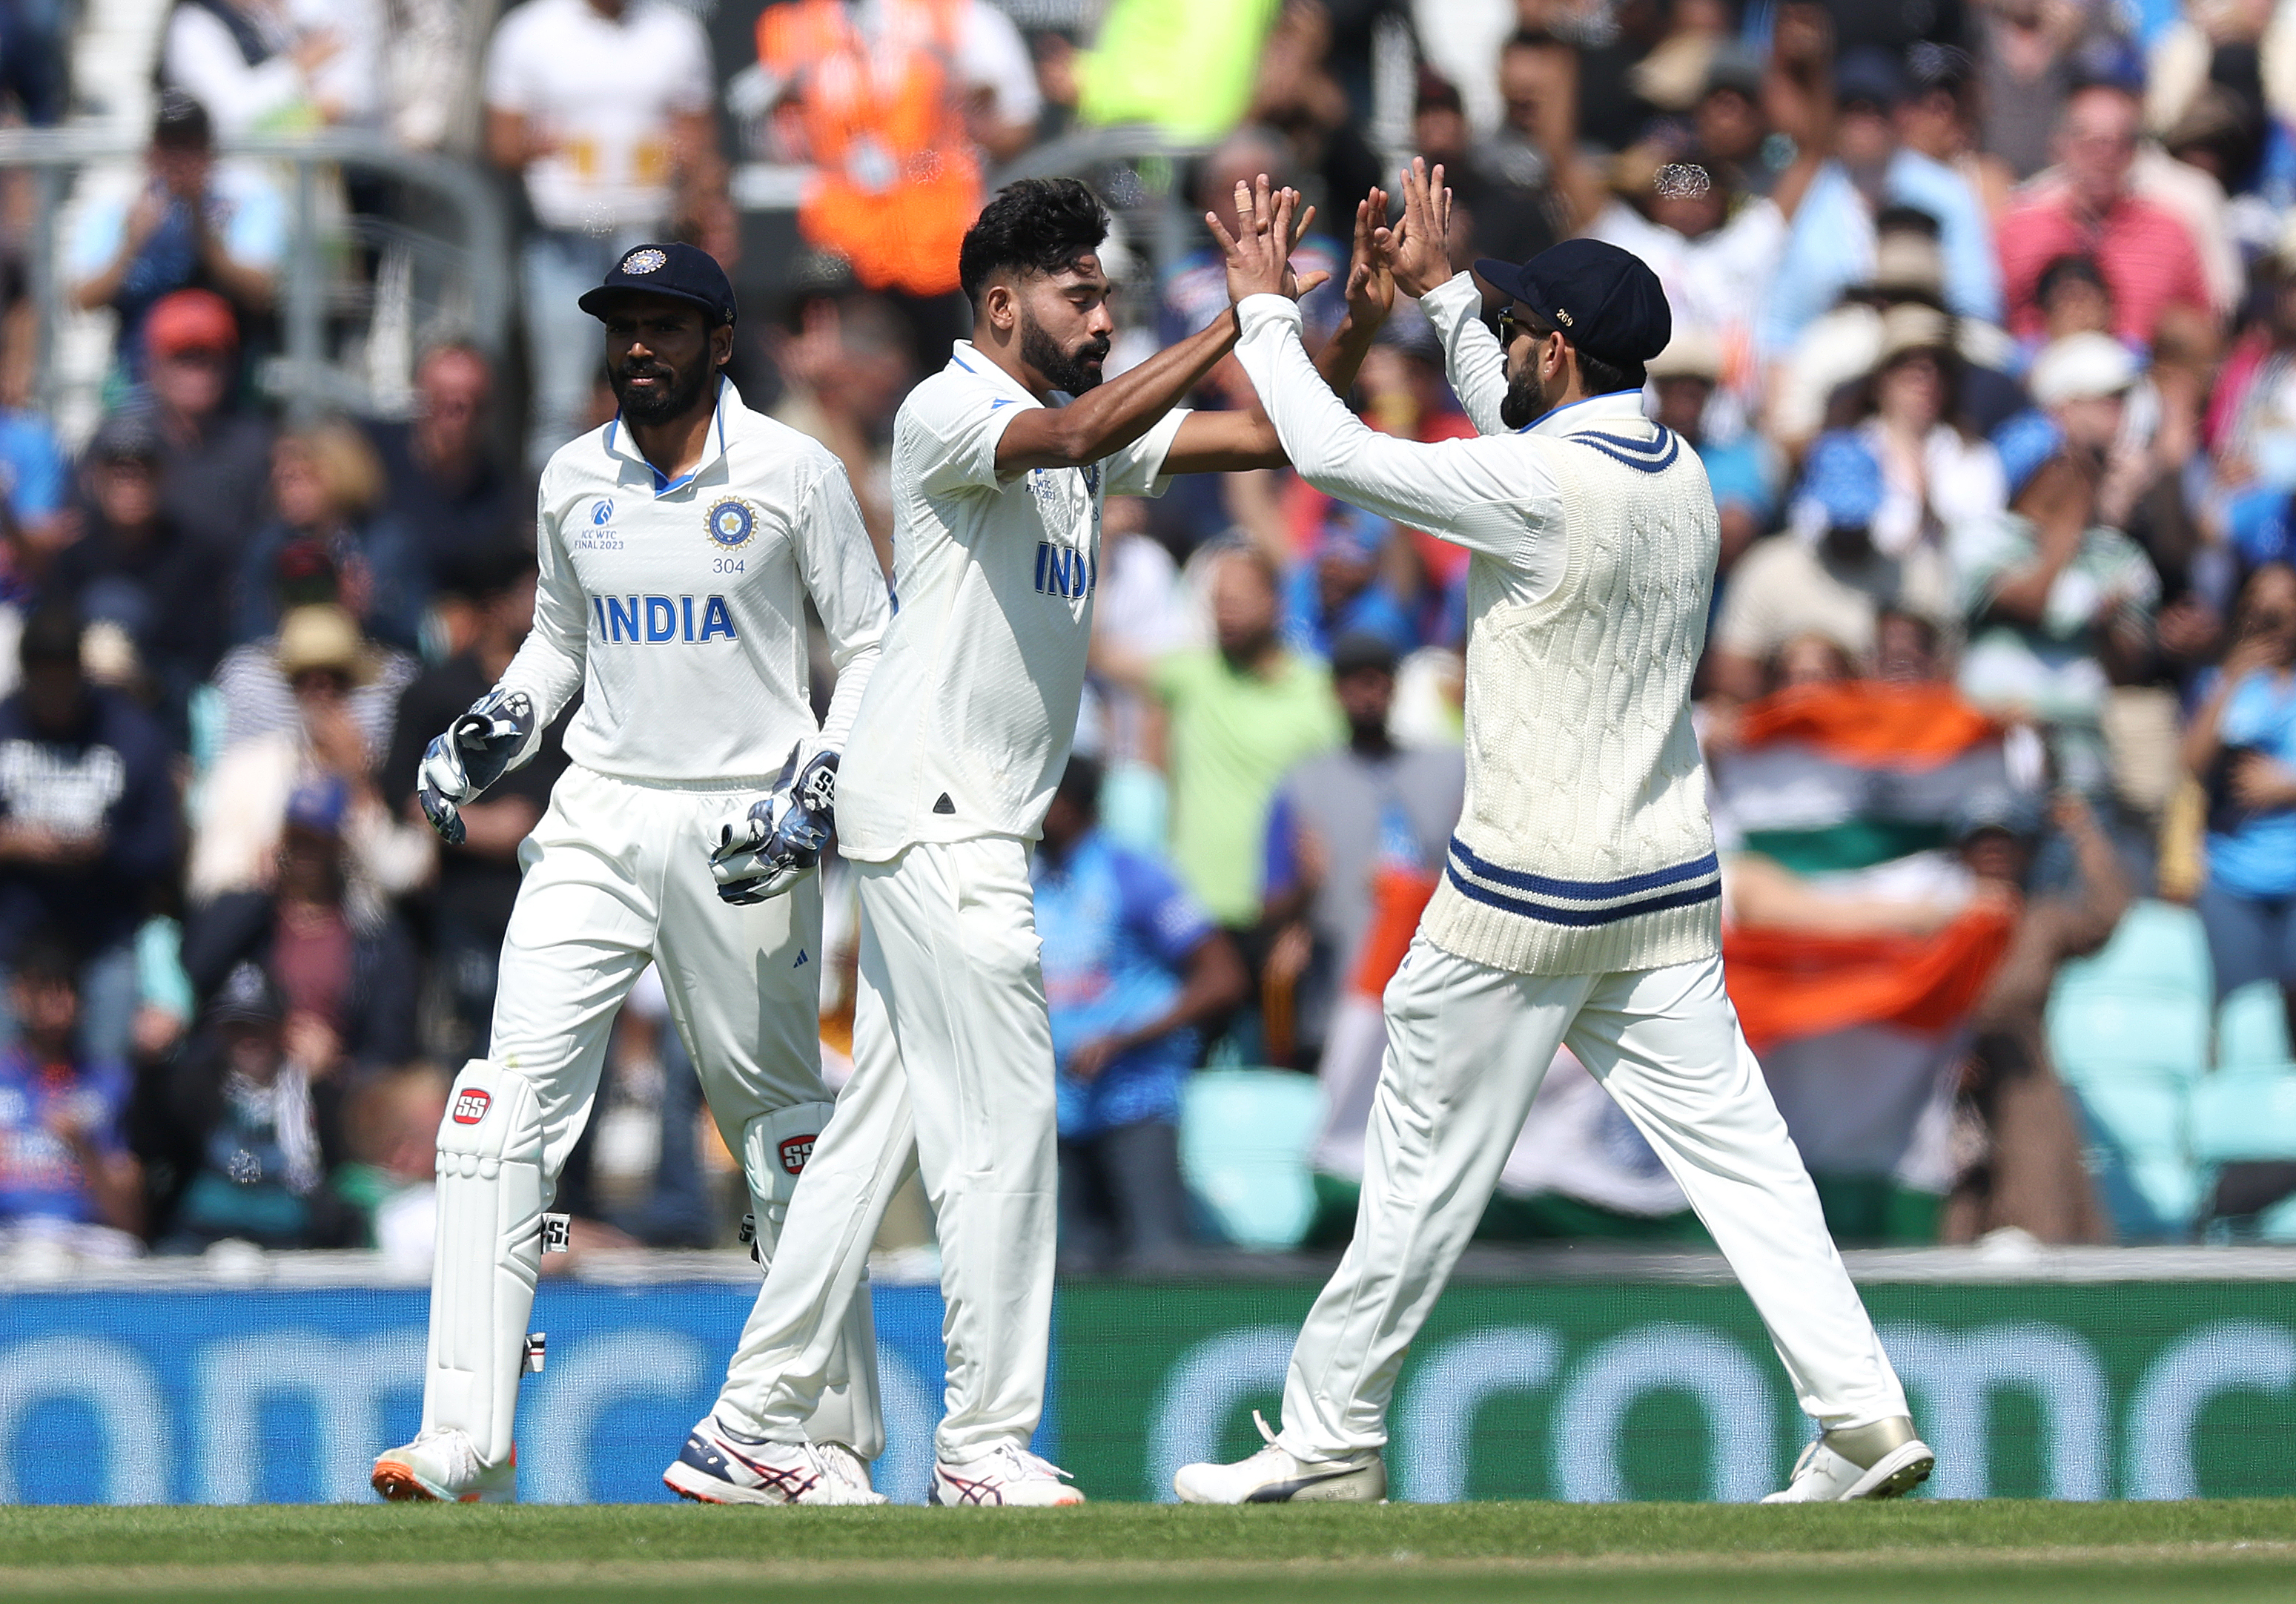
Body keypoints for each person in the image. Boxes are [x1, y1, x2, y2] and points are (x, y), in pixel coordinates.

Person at [1177, 163, 1931, 1505]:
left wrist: (1261, 316)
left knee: (1414, 1165)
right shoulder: (1683, 472)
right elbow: (1527, 417)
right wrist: (1446, 295)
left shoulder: (1537, 487)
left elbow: (1336, 456)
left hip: (1520, 896)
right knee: (1747, 1163)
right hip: (1662, 890)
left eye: (1522, 328)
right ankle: (1864, 1413)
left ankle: (1331, 1432)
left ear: (1561, 349)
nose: (1508, 343)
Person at [689, 174, 1387, 1508]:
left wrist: (1330, 323)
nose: (1102, 311)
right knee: (1005, 1128)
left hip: (949, 821)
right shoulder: (951, 408)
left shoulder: (1080, 422)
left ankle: (753, 1414)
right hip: (945, 817)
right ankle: (982, 1443)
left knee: (872, 1133)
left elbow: (1270, 443)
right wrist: (1245, 313)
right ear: (1000, 304)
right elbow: (1074, 434)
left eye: (1109, 291)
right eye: (1080, 292)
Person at [371, 242, 893, 1508]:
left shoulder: (790, 472)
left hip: (742, 825)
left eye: (667, 325)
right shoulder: (571, 477)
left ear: (721, 343)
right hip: (598, 814)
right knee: (500, 1107)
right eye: (624, 326)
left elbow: (873, 641)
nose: (639, 347)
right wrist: (490, 729)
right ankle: (463, 1431)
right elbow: (559, 649)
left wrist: (815, 776)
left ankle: (822, 1438)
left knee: (779, 1131)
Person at [483, 0, 732, 471]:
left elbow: (700, 141)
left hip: (651, 239)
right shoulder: (530, 30)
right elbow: (501, 142)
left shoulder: (674, 30)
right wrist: (553, 144)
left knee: (657, 382)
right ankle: (554, 521)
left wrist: (705, 198)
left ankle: (655, 497)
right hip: (563, 237)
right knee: (561, 396)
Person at [1034, 756, 1246, 1273]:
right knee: (1069, 1274)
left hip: (1135, 1104)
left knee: (1157, 1268)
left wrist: (1121, 1039)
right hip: (1055, 1108)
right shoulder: (1025, 879)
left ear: (1067, 805)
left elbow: (1222, 977)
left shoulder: (1133, 873)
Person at [384, 552, 570, 1056]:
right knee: (467, 1052)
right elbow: (398, 785)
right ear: (496, 602)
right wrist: (469, 823)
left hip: (553, 896)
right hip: (464, 903)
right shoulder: (438, 691)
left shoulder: (576, 694)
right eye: (534, 589)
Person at [1261, 633, 1462, 1074]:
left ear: (1394, 687)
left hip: (1435, 997)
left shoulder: (1450, 770)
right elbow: (1270, 908)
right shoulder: (1303, 784)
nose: (1366, 695)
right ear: (1334, 692)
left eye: (1376, 682)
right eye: (1353, 684)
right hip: (1339, 1000)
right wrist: (1305, 885)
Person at [0, 607, 177, 1066]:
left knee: (106, 1080)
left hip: (103, 936)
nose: (53, 689)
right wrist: (12, 844)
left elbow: (162, 847)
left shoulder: (130, 733)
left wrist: (104, 850)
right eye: (43, 675)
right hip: (12, 939)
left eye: (63, 675)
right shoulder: (4, 725)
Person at [67, 92, 282, 371]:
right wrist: (132, 242)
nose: (179, 160)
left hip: (224, 373)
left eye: (190, 147)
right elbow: (83, 299)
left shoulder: (246, 199)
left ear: (210, 153)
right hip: (138, 372)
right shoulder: (117, 204)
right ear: (151, 152)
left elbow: (259, 293)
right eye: (170, 147)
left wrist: (200, 225)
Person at [0, 938, 142, 1251]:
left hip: (85, 1239)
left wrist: (83, 1144)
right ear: (19, 996)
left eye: (67, 991)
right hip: (9, 1237)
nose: (58, 1005)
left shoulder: (110, 1082)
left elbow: (131, 1222)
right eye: (45, 991)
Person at [365, 343, 525, 591]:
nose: (459, 417)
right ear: (422, 399)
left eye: (474, 404)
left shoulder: (506, 492)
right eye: (445, 403)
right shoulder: (372, 457)